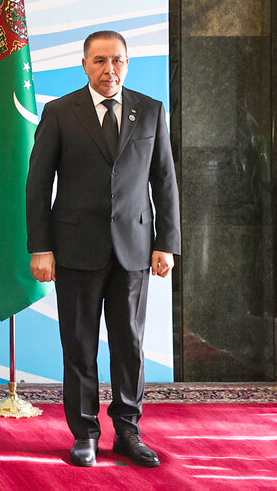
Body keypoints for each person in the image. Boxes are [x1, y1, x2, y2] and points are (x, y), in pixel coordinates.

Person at [26, 30, 180, 469]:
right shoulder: (60, 112)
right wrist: (41, 247)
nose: (109, 70)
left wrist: (166, 243)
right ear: (85, 64)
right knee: (79, 345)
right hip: (75, 248)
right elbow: (38, 184)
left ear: (127, 63)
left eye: (117, 61)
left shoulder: (150, 110)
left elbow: (164, 180)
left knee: (129, 344)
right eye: (99, 61)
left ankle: (128, 431)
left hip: (135, 248)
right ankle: (85, 434)